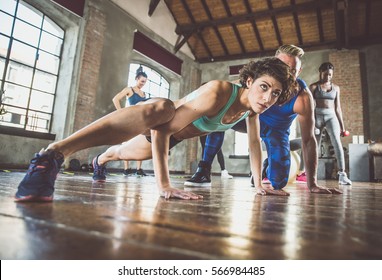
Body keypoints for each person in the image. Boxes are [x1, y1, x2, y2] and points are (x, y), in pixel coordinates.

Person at [15, 57, 295, 202]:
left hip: (170, 137)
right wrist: (164, 184)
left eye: (275, 94)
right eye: (264, 87)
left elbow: (255, 145)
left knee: (120, 152)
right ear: (248, 81)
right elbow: (162, 128)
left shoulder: (250, 111)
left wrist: (259, 184)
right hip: (158, 121)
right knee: (162, 109)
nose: (268, 98)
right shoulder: (220, 92)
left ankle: (99, 161)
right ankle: (51, 154)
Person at [184, 44, 342, 196]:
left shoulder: (303, 98)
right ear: (272, 63)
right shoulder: (257, 78)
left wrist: (312, 183)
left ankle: (265, 169)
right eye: (281, 67)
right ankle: (204, 169)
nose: (284, 75)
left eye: (292, 71)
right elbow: (226, 94)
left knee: (279, 182)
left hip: (275, 131)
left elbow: (308, 140)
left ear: (299, 71)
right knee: (219, 110)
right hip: (249, 121)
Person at [310, 62, 352, 185]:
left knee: (337, 143)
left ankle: (342, 174)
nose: (328, 77)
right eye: (325, 74)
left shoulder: (336, 88)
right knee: (315, 146)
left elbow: (338, 108)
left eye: (330, 75)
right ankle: (311, 174)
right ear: (320, 72)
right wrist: (312, 124)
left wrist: (342, 127)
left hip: (331, 116)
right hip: (317, 116)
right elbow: (310, 107)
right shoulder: (313, 87)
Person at [112, 67, 149, 177]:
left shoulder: (143, 94)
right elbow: (115, 99)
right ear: (137, 79)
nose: (143, 84)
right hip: (130, 120)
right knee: (126, 143)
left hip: (141, 121)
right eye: (142, 81)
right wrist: (121, 113)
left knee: (141, 144)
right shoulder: (129, 89)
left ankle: (138, 169)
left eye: (145, 82)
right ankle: (126, 169)